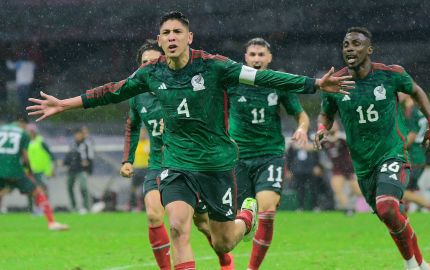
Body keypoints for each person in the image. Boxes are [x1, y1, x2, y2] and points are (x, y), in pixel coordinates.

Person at [27, 11, 353, 269]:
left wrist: (313, 84)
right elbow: (111, 91)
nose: (171, 37)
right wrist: (64, 103)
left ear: (189, 38)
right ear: (159, 39)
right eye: (166, 33)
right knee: (179, 228)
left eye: (177, 32)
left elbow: (264, 77)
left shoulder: (214, 67)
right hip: (176, 163)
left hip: (216, 164)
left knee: (223, 241)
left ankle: (247, 215)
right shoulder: (152, 72)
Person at [315, 27, 430, 270]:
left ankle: (411, 266)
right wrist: (321, 128)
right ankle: (423, 265)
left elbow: (415, 90)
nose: (350, 48)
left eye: (356, 44)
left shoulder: (390, 75)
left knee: (387, 206)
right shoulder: (336, 83)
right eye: (346, 44)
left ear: (369, 50)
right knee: (391, 216)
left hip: (392, 153)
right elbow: (326, 113)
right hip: (362, 164)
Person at [120, 39, 233, 270]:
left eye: (153, 60)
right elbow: (132, 126)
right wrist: (127, 159)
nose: (149, 65)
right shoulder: (137, 96)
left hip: (189, 164)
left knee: (203, 224)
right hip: (157, 164)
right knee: (153, 215)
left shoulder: (180, 88)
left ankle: (224, 259)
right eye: (144, 62)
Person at [226, 37, 311, 270]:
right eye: (252, 54)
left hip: (270, 153)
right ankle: (234, 244)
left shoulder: (278, 83)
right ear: (245, 58)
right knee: (239, 216)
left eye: (261, 54)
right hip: (238, 156)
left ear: (269, 58)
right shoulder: (232, 81)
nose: (256, 59)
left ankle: (252, 268)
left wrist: (302, 128)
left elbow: (301, 115)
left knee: (268, 209)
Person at [0, 116, 68, 231]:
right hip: (15, 170)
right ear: (23, 124)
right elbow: (25, 157)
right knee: (38, 192)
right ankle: (52, 223)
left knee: (2, 192)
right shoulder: (23, 134)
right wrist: (29, 171)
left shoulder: (1, 129)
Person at [399, 93, 430, 228]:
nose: (397, 94)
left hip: (413, 158)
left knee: (401, 191)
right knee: (404, 193)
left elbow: (412, 135)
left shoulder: (411, 113)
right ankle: (403, 222)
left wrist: (398, 148)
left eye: (400, 91)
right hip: (418, 156)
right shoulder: (419, 112)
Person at [320, 121, 362, 215]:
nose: (332, 127)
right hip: (337, 169)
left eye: (334, 125)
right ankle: (348, 209)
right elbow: (314, 147)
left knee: (358, 192)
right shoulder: (325, 141)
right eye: (330, 125)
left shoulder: (342, 137)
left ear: (338, 126)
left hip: (349, 168)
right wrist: (301, 144)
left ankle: (380, 199)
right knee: (337, 188)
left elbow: (355, 146)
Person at [286, 141, 325, 212]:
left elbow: (316, 154)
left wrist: (317, 165)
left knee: (313, 188)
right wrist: (289, 170)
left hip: (311, 169)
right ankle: (301, 207)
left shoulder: (311, 140)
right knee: (300, 189)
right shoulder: (293, 143)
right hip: (298, 170)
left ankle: (315, 206)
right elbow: (289, 157)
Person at [26, 123, 55, 213]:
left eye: (32, 131)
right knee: (31, 190)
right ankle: (32, 209)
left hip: (41, 171)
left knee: (42, 189)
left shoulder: (41, 141)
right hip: (31, 171)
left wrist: (51, 169)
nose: (31, 133)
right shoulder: (27, 143)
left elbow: (51, 156)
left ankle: (45, 207)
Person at [64, 128, 92, 213]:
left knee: (83, 187)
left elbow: (90, 158)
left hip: (81, 170)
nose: (78, 136)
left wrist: (88, 167)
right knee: (69, 187)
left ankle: (86, 207)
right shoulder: (72, 144)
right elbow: (69, 156)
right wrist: (66, 162)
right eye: (76, 134)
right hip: (72, 169)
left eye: (79, 134)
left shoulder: (86, 144)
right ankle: (73, 206)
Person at [127, 126, 149, 212]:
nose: (142, 134)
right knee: (133, 188)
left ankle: (143, 206)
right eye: (141, 133)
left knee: (144, 189)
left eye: (143, 133)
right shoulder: (135, 143)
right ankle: (132, 205)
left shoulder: (148, 143)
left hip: (146, 169)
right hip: (136, 169)